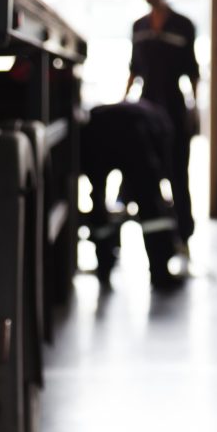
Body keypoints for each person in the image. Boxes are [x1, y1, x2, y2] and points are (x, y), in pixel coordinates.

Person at [125, 0, 200, 252]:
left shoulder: (183, 25)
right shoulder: (139, 26)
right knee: (145, 170)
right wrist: (124, 103)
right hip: (146, 106)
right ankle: (156, 236)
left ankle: (184, 233)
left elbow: (192, 71)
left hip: (173, 106)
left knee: (178, 170)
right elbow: (134, 69)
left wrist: (193, 109)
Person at [80, 100, 182, 290]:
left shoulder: (147, 115)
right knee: (150, 205)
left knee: (98, 199)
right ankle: (160, 272)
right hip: (135, 135)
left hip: (97, 133)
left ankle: (104, 266)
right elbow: (162, 173)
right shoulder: (161, 126)